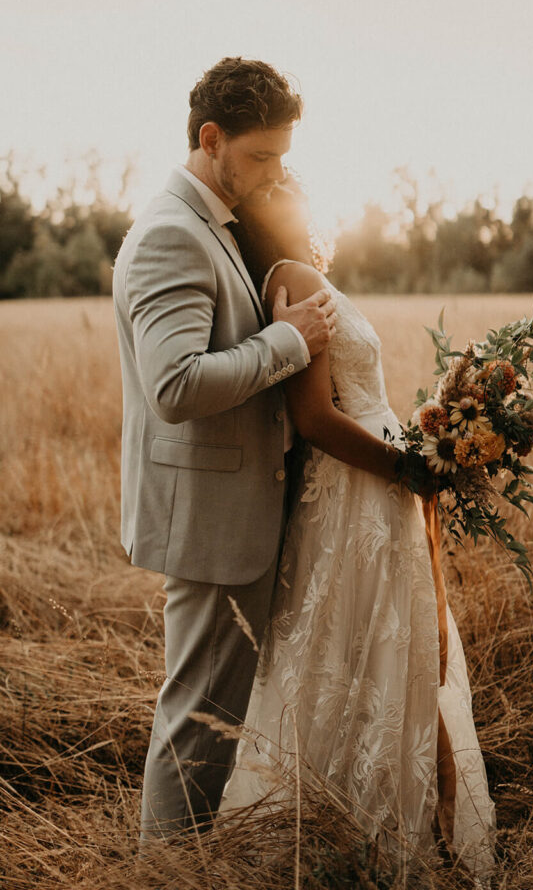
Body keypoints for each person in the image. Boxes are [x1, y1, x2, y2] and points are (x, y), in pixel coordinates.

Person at [219, 182, 497, 883]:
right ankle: (359, 829)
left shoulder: (293, 278)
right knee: (365, 644)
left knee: (361, 645)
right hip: (359, 490)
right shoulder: (296, 277)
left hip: (367, 482)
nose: (302, 195)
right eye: (285, 187)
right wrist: (408, 467)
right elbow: (313, 416)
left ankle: (349, 819)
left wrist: (437, 428)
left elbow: (349, 399)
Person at [112, 57, 339, 841]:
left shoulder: (211, 224)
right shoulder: (171, 234)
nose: (276, 172)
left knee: (214, 711)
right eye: (261, 155)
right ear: (210, 138)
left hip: (229, 508)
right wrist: (287, 341)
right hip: (207, 518)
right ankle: (169, 868)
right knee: (199, 717)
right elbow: (173, 386)